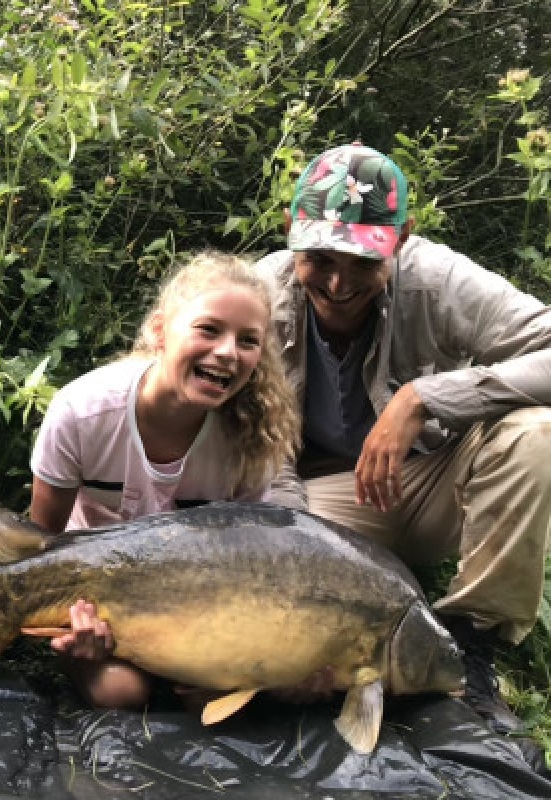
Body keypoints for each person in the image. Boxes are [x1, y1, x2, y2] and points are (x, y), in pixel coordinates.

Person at [255, 141, 551, 768]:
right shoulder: (260, 293)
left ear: (403, 236)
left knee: (537, 432)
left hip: (432, 481)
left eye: (363, 260)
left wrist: (425, 397)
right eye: (319, 259)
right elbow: (254, 441)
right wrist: (294, 541)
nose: (338, 284)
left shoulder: (439, 279)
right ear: (288, 231)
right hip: (325, 506)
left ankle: (471, 642)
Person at [29, 251, 301, 709]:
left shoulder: (254, 439)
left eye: (248, 341)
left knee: (251, 690)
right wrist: (71, 622)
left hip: (194, 599)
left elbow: (244, 565)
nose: (227, 352)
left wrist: (227, 656)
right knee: (121, 693)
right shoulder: (82, 411)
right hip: (91, 590)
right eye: (209, 329)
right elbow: (41, 543)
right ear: (160, 331)